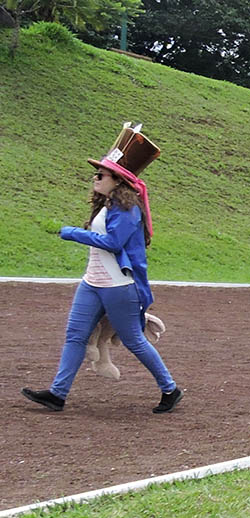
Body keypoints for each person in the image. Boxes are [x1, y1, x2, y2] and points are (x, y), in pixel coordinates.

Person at [22, 124, 182, 414]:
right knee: (75, 335)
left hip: (118, 286)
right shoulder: (108, 205)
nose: (95, 178)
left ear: (116, 180)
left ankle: (170, 389)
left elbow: (113, 242)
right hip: (92, 282)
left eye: (100, 174)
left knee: (134, 340)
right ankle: (57, 394)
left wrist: (72, 233)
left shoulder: (127, 209)